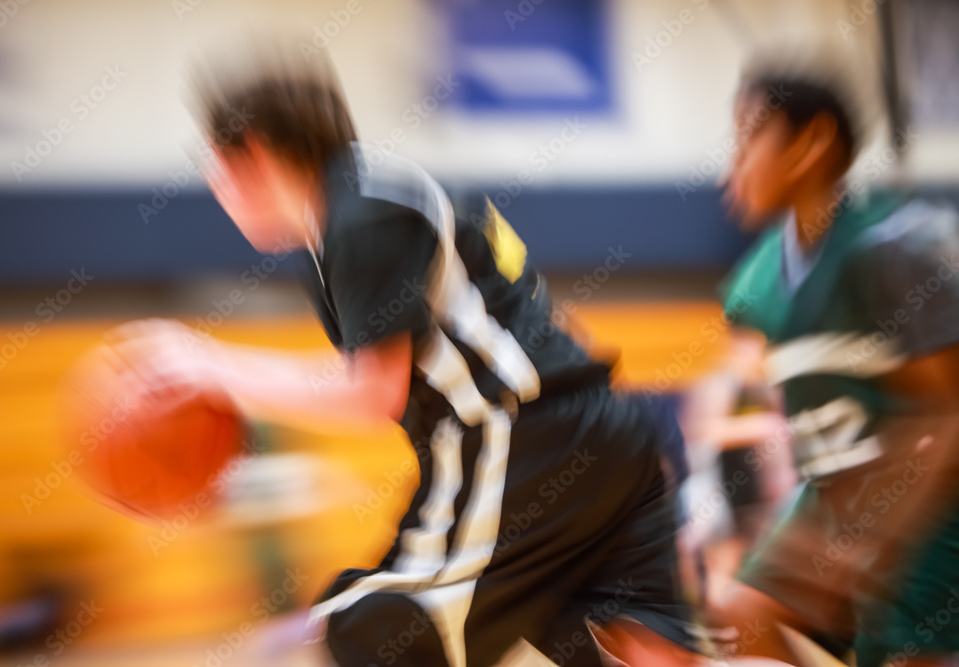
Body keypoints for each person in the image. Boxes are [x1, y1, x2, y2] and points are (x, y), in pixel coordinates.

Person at [110, 45, 700, 666]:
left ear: (252, 151)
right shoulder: (368, 198)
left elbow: (372, 393)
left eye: (213, 165)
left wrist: (207, 364)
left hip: (520, 441)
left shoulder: (358, 217)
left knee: (359, 642)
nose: (214, 187)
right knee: (650, 652)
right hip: (604, 431)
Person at [712, 47, 959, 667]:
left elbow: (946, 416)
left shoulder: (889, 250)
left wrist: (877, 526)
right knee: (740, 610)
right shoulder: (753, 284)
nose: (731, 167)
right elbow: (796, 412)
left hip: (929, 499)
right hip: (832, 497)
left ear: (811, 142)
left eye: (748, 140)